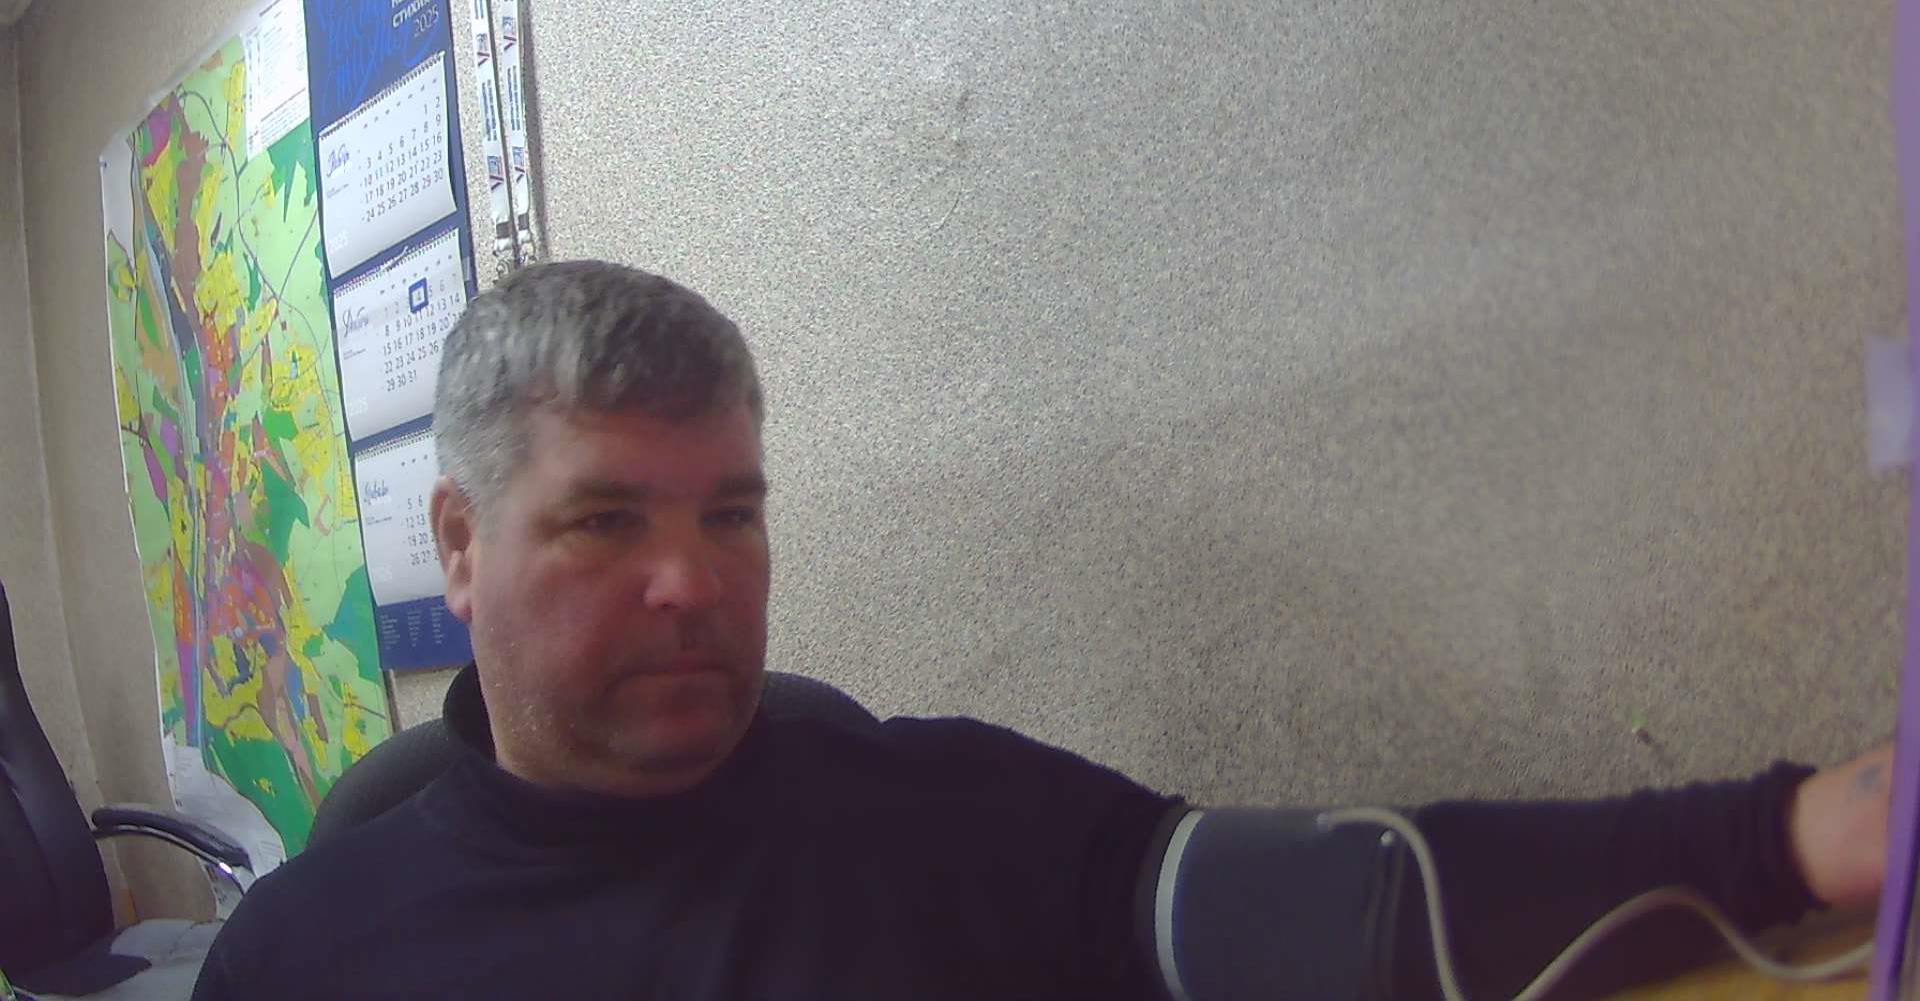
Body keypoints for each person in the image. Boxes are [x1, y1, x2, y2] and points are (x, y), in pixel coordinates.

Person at [191, 261, 1893, 1000]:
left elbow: (1347, 903)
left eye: (732, 514)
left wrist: (1797, 834)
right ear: (461, 546)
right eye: (607, 521)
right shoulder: (306, 958)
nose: (693, 583)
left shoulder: (935, 815)